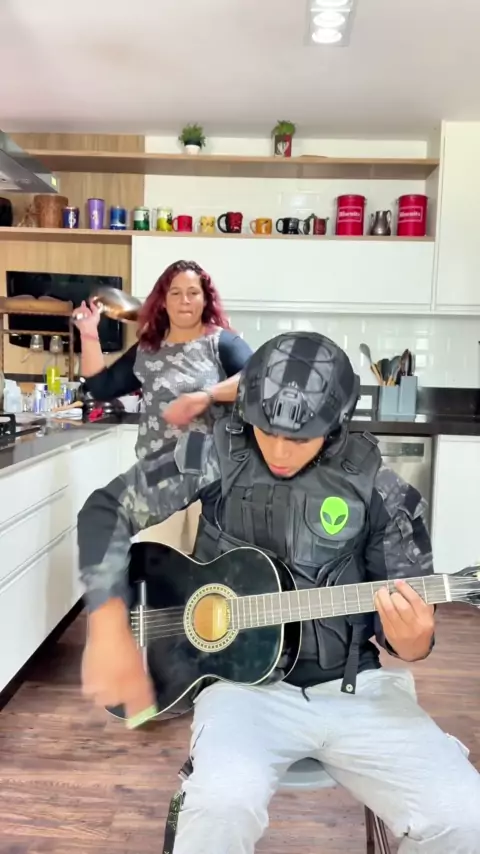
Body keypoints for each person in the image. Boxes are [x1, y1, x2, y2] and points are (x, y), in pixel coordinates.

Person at [78, 331, 480, 854]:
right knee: (219, 807)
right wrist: (108, 622)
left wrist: (414, 640)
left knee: (465, 818)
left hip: (355, 688)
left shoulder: (385, 490)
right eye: (267, 430)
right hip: (240, 692)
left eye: (301, 437)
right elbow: (106, 509)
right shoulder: (213, 451)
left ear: (336, 424)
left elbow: (407, 640)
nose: (280, 450)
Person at [74, 258, 252, 550]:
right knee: (161, 565)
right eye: (175, 293)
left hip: (211, 482)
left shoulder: (222, 343)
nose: (185, 300)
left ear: (205, 299)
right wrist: (89, 333)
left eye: (193, 292)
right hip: (157, 478)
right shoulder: (148, 348)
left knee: (207, 566)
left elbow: (260, 378)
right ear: (164, 301)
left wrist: (205, 396)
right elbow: (102, 386)